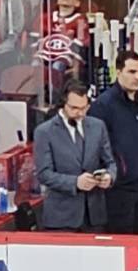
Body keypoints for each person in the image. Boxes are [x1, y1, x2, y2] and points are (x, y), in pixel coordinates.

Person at [87, 50, 138, 233]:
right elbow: (96, 147)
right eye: (131, 72)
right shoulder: (103, 106)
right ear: (118, 72)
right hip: (120, 191)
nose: (137, 77)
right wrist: (114, 172)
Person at [33, 82, 116, 231]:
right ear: (63, 104)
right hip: (62, 219)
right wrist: (75, 182)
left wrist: (109, 177)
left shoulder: (98, 126)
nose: (80, 113)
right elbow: (44, 174)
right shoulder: (44, 132)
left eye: (84, 108)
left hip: (94, 217)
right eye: (74, 108)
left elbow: (110, 162)